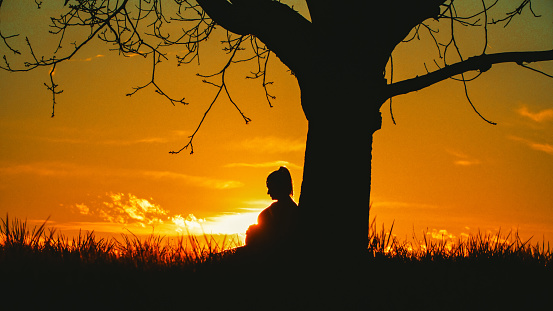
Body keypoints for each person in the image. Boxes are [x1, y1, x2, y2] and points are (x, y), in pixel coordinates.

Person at [245, 167, 298, 248]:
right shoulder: (284, 208)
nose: (268, 192)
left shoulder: (289, 210)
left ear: (278, 187)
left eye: (270, 188)